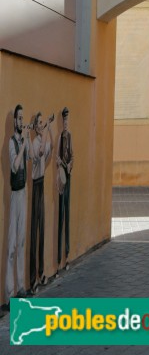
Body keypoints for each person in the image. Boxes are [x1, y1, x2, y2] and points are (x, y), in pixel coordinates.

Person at [5, 105, 31, 305]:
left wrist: (29, 139)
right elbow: (14, 166)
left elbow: (30, 158)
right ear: (14, 121)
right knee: (12, 246)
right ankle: (9, 292)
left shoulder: (23, 141)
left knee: (21, 241)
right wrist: (23, 144)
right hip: (15, 195)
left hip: (24, 192)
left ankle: (21, 287)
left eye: (23, 118)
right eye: (19, 118)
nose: (22, 121)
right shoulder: (11, 143)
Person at [29, 112, 54, 293]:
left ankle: (42, 272)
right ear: (35, 126)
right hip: (36, 185)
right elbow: (40, 152)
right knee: (34, 233)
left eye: (42, 123)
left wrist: (50, 128)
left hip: (42, 183)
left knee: (42, 230)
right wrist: (47, 130)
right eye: (39, 123)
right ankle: (32, 280)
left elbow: (50, 149)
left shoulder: (43, 139)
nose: (41, 125)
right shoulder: (34, 143)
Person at [57, 107, 74, 274]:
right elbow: (56, 157)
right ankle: (57, 259)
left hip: (68, 178)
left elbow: (73, 156)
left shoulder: (70, 137)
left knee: (67, 215)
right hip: (61, 181)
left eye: (68, 121)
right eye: (64, 121)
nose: (66, 124)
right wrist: (61, 164)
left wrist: (69, 165)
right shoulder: (59, 138)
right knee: (60, 217)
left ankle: (67, 255)